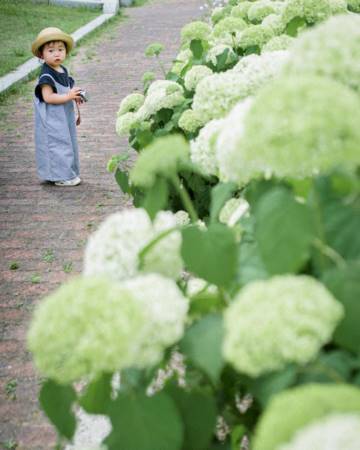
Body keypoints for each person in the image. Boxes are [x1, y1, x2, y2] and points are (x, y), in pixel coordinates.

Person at [32, 27, 83, 186]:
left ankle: (64, 172)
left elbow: (66, 89)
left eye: (60, 49)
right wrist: (68, 96)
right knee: (57, 144)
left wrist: (74, 96)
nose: (57, 53)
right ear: (42, 54)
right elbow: (48, 97)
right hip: (53, 117)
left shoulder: (62, 69)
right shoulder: (46, 75)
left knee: (68, 142)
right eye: (51, 50)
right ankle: (62, 176)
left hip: (64, 115)